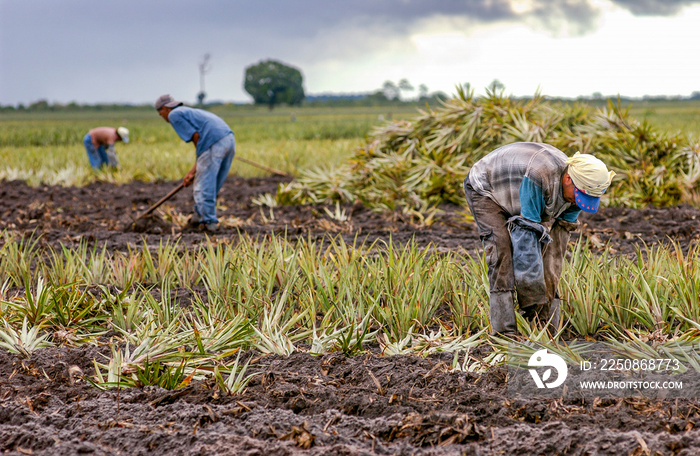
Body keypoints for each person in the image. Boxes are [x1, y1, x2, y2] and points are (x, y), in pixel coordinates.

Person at [463, 142, 615, 336]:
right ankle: (504, 332)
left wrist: (549, 296)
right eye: (580, 196)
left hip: (519, 189)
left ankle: (547, 326)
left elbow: (555, 250)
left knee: (545, 255)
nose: (579, 202)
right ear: (568, 179)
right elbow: (526, 242)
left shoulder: (579, 192)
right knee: (502, 252)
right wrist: (534, 302)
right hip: (487, 188)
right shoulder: (540, 175)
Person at [155, 94, 235, 232]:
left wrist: (192, 171)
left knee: (203, 185)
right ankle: (198, 215)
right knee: (212, 184)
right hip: (228, 139)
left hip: (212, 143)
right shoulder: (188, 111)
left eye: (160, 113)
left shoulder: (174, 115)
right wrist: (195, 170)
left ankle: (209, 223)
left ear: (164, 109)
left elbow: (196, 136)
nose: (162, 117)